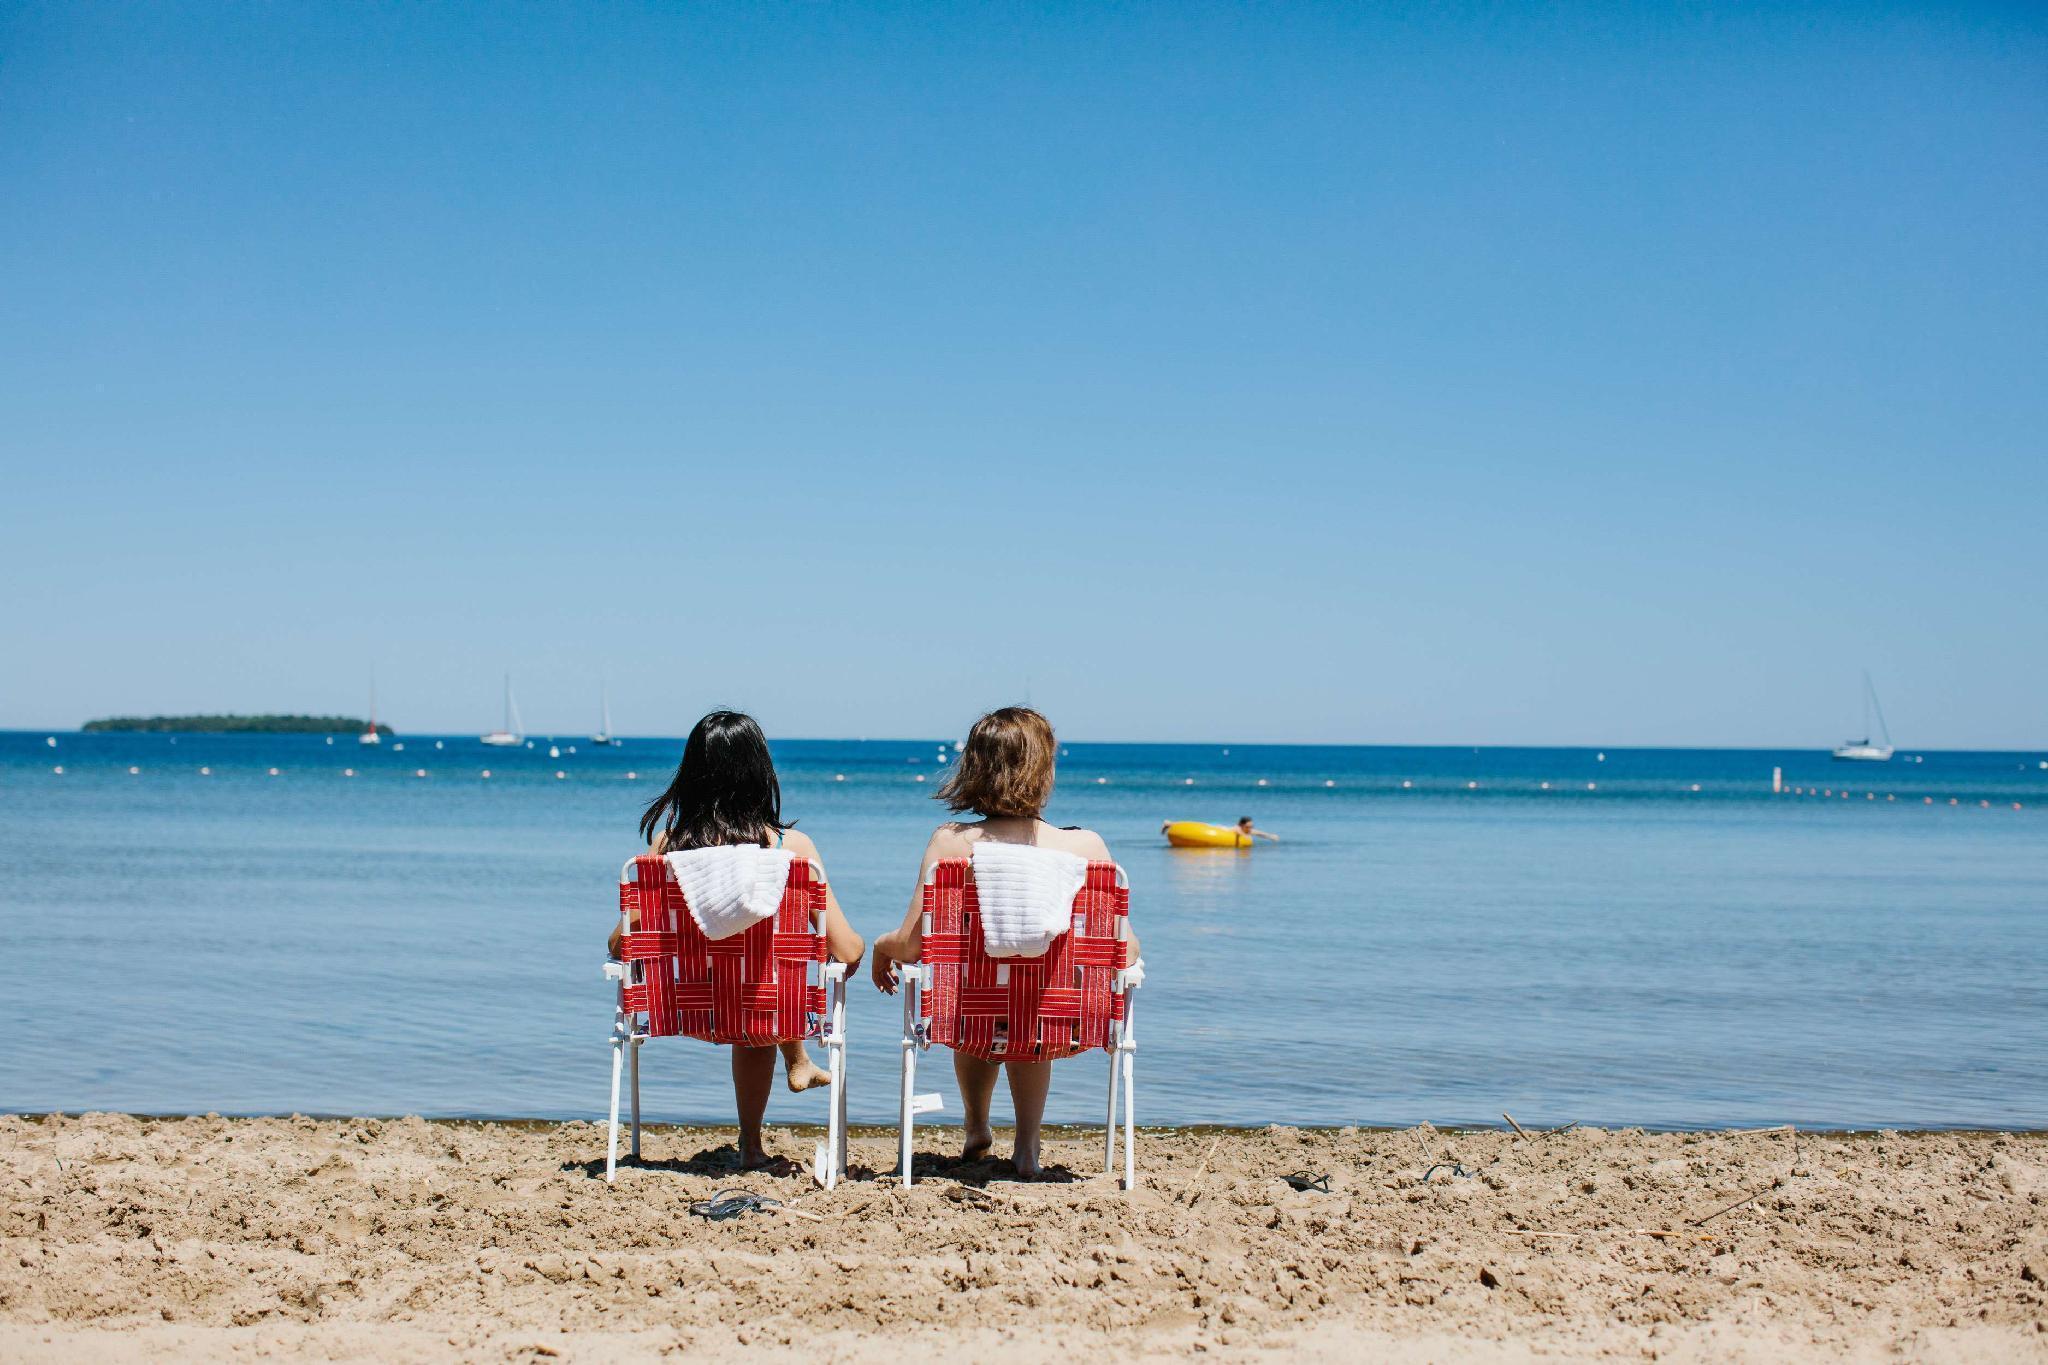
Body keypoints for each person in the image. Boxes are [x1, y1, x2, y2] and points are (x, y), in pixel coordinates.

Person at [870, 706, 1138, 1178]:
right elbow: (1126, 951)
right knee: (1029, 1006)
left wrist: (881, 945)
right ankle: (1028, 1147)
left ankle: (977, 1128)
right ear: (1044, 769)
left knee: (978, 995)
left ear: (976, 768)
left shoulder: (952, 843)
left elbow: (912, 946)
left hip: (968, 1012)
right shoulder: (1086, 849)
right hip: (1056, 1016)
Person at [612, 710, 863, 1169]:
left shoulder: (667, 851)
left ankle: (786, 1080)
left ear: (690, 774)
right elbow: (846, 950)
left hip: (686, 1002)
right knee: (762, 989)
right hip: (760, 1006)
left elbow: (622, 943)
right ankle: (751, 1144)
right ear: (760, 773)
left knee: (750, 982)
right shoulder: (792, 851)